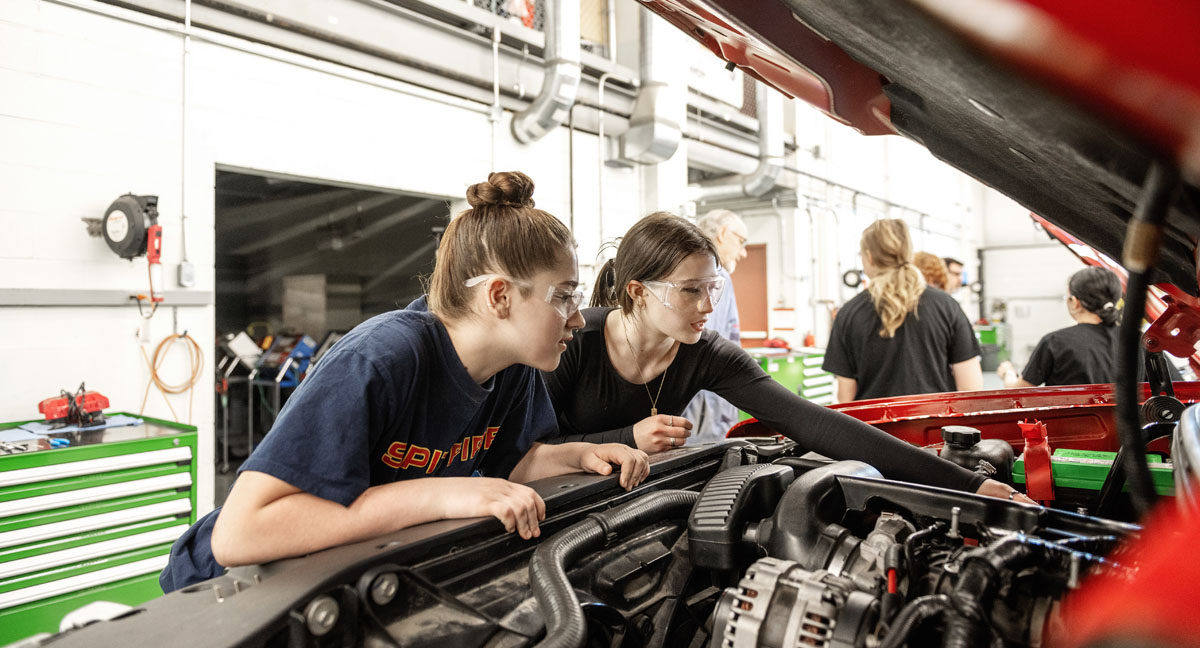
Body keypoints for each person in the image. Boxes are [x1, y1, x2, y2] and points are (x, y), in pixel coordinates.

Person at [160, 172, 649, 592]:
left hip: (344, 572)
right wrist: (440, 495)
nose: (579, 318)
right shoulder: (380, 358)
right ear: (499, 297)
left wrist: (580, 455)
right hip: (229, 588)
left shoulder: (514, 367)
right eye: (564, 296)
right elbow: (241, 532)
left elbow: (512, 462)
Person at [542, 211, 1027, 503]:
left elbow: (814, 422)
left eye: (713, 289)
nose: (709, 307)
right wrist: (627, 437)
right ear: (638, 292)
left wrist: (963, 484)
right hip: (556, 511)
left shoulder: (705, 353)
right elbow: (523, 454)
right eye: (692, 291)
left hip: (636, 501)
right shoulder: (575, 343)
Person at [822, 219, 983, 402]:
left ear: (870, 257)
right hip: (935, 427)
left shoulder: (849, 313)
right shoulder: (946, 306)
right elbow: (970, 389)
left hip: (873, 429)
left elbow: (846, 397)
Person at [680, 209, 746, 443]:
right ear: (723, 233)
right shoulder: (717, 278)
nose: (743, 252)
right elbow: (707, 345)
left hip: (707, 403)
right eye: (741, 241)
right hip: (703, 406)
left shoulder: (713, 276)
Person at [997, 267, 1121, 387]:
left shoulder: (1055, 342)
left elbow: (1019, 390)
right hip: (1126, 409)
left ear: (1074, 302)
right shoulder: (1135, 341)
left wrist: (1007, 373)